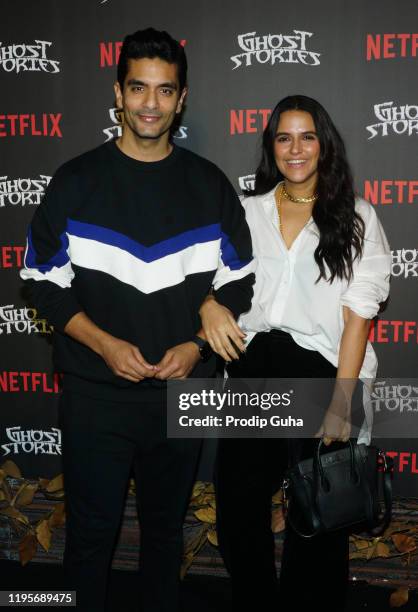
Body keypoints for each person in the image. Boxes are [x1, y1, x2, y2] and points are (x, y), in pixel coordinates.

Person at [20, 28, 254, 612]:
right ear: (118, 95)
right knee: (91, 538)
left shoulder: (209, 185)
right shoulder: (75, 181)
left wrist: (199, 345)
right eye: (138, 88)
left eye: (164, 90)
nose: (151, 103)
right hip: (95, 394)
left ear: (183, 99)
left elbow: (240, 279)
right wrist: (102, 344)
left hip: (182, 394)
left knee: (164, 536)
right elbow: (40, 282)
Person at [199, 95, 391, 612]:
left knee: (318, 512)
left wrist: (342, 400)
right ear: (271, 146)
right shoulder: (246, 210)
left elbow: (358, 317)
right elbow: (206, 278)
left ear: (324, 146)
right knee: (239, 508)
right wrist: (209, 306)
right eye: (284, 137)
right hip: (250, 366)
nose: (296, 148)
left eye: (307, 136)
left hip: (322, 370)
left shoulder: (356, 217)